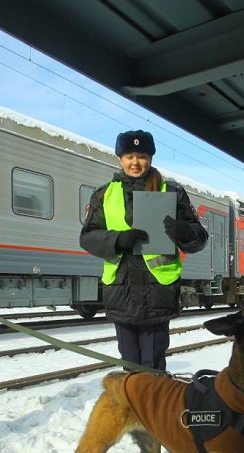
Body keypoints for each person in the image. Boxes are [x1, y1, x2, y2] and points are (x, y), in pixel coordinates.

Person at [80, 130, 208, 371]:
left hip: (157, 291)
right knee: (129, 363)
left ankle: (153, 407)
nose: (135, 162)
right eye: (129, 156)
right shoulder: (103, 194)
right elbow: (87, 237)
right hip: (122, 292)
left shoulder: (172, 192)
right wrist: (117, 240)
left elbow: (199, 239)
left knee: (153, 365)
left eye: (141, 156)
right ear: (120, 158)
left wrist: (183, 231)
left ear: (150, 158)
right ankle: (135, 407)